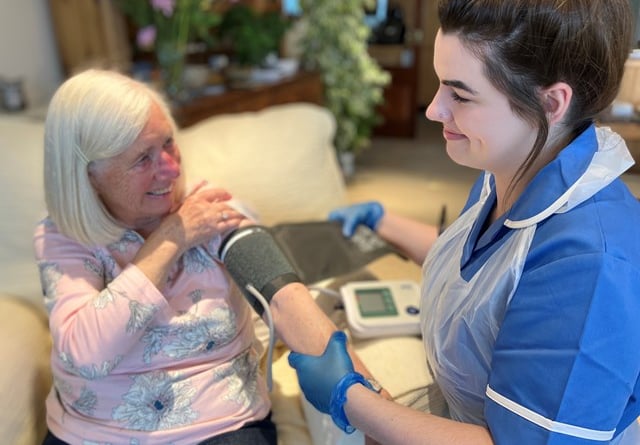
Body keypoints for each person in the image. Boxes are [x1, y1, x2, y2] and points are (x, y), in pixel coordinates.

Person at [272, 0, 640, 444]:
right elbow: (487, 272)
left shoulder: (589, 263)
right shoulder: (510, 163)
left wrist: (351, 398)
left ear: (551, 103)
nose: (433, 110)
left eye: (460, 94)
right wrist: (384, 221)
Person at [34, 68, 275, 444]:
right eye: (142, 159)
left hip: (218, 428)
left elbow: (283, 294)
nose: (172, 168)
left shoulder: (208, 209)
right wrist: (169, 239)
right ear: (89, 176)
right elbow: (86, 354)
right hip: (90, 433)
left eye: (168, 143)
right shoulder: (63, 236)